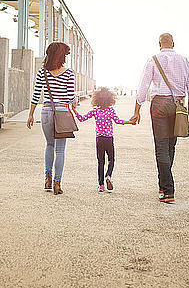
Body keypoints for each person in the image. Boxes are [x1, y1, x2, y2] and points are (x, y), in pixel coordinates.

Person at [130, 33, 189, 203]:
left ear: (159, 44)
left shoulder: (153, 59)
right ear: (173, 43)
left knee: (161, 147)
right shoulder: (184, 60)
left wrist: (137, 110)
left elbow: (143, 86)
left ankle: (167, 189)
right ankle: (164, 186)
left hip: (159, 104)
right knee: (170, 146)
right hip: (178, 105)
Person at [27, 42, 76, 195]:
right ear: (62, 56)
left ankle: (47, 179)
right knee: (60, 149)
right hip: (61, 112)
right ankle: (57, 183)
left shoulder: (42, 72)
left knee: (49, 145)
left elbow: (36, 95)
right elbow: (70, 97)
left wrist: (30, 114)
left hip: (46, 110)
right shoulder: (69, 73)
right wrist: (73, 106)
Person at [71, 87, 135, 192]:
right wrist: (130, 122)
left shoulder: (95, 111)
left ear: (96, 99)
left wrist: (74, 110)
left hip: (99, 139)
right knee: (111, 159)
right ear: (110, 99)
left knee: (101, 162)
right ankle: (108, 176)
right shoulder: (110, 110)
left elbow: (82, 119)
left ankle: (101, 185)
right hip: (109, 139)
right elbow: (118, 121)